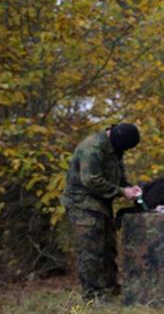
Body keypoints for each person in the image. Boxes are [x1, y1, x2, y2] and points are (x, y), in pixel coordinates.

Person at [61, 123, 143, 300]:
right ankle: (92, 295)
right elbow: (90, 180)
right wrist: (121, 192)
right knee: (91, 251)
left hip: (102, 205)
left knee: (108, 248)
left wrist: (129, 188)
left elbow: (118, 176)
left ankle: (110, 289)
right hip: (82, 204)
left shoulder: (115, 148)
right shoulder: (92, 148)